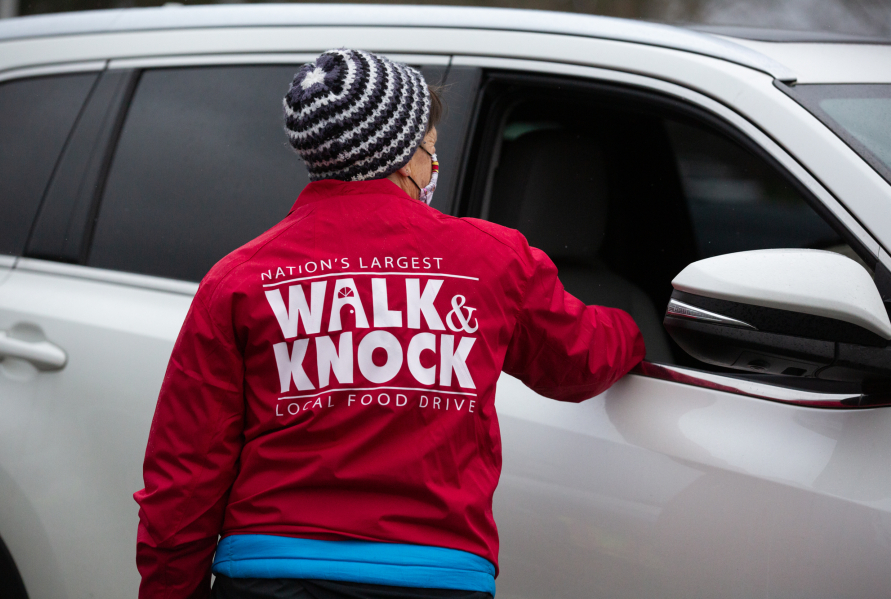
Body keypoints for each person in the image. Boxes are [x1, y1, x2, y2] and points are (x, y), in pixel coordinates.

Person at [134, 48, 645, 599]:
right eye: (430, 146)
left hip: (269, 576)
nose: (433, 163)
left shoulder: (238, 279)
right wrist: (638, 328)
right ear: (405, 158)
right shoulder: (492, 259)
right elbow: (580, 361)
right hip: (434, 579)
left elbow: (182, 479)